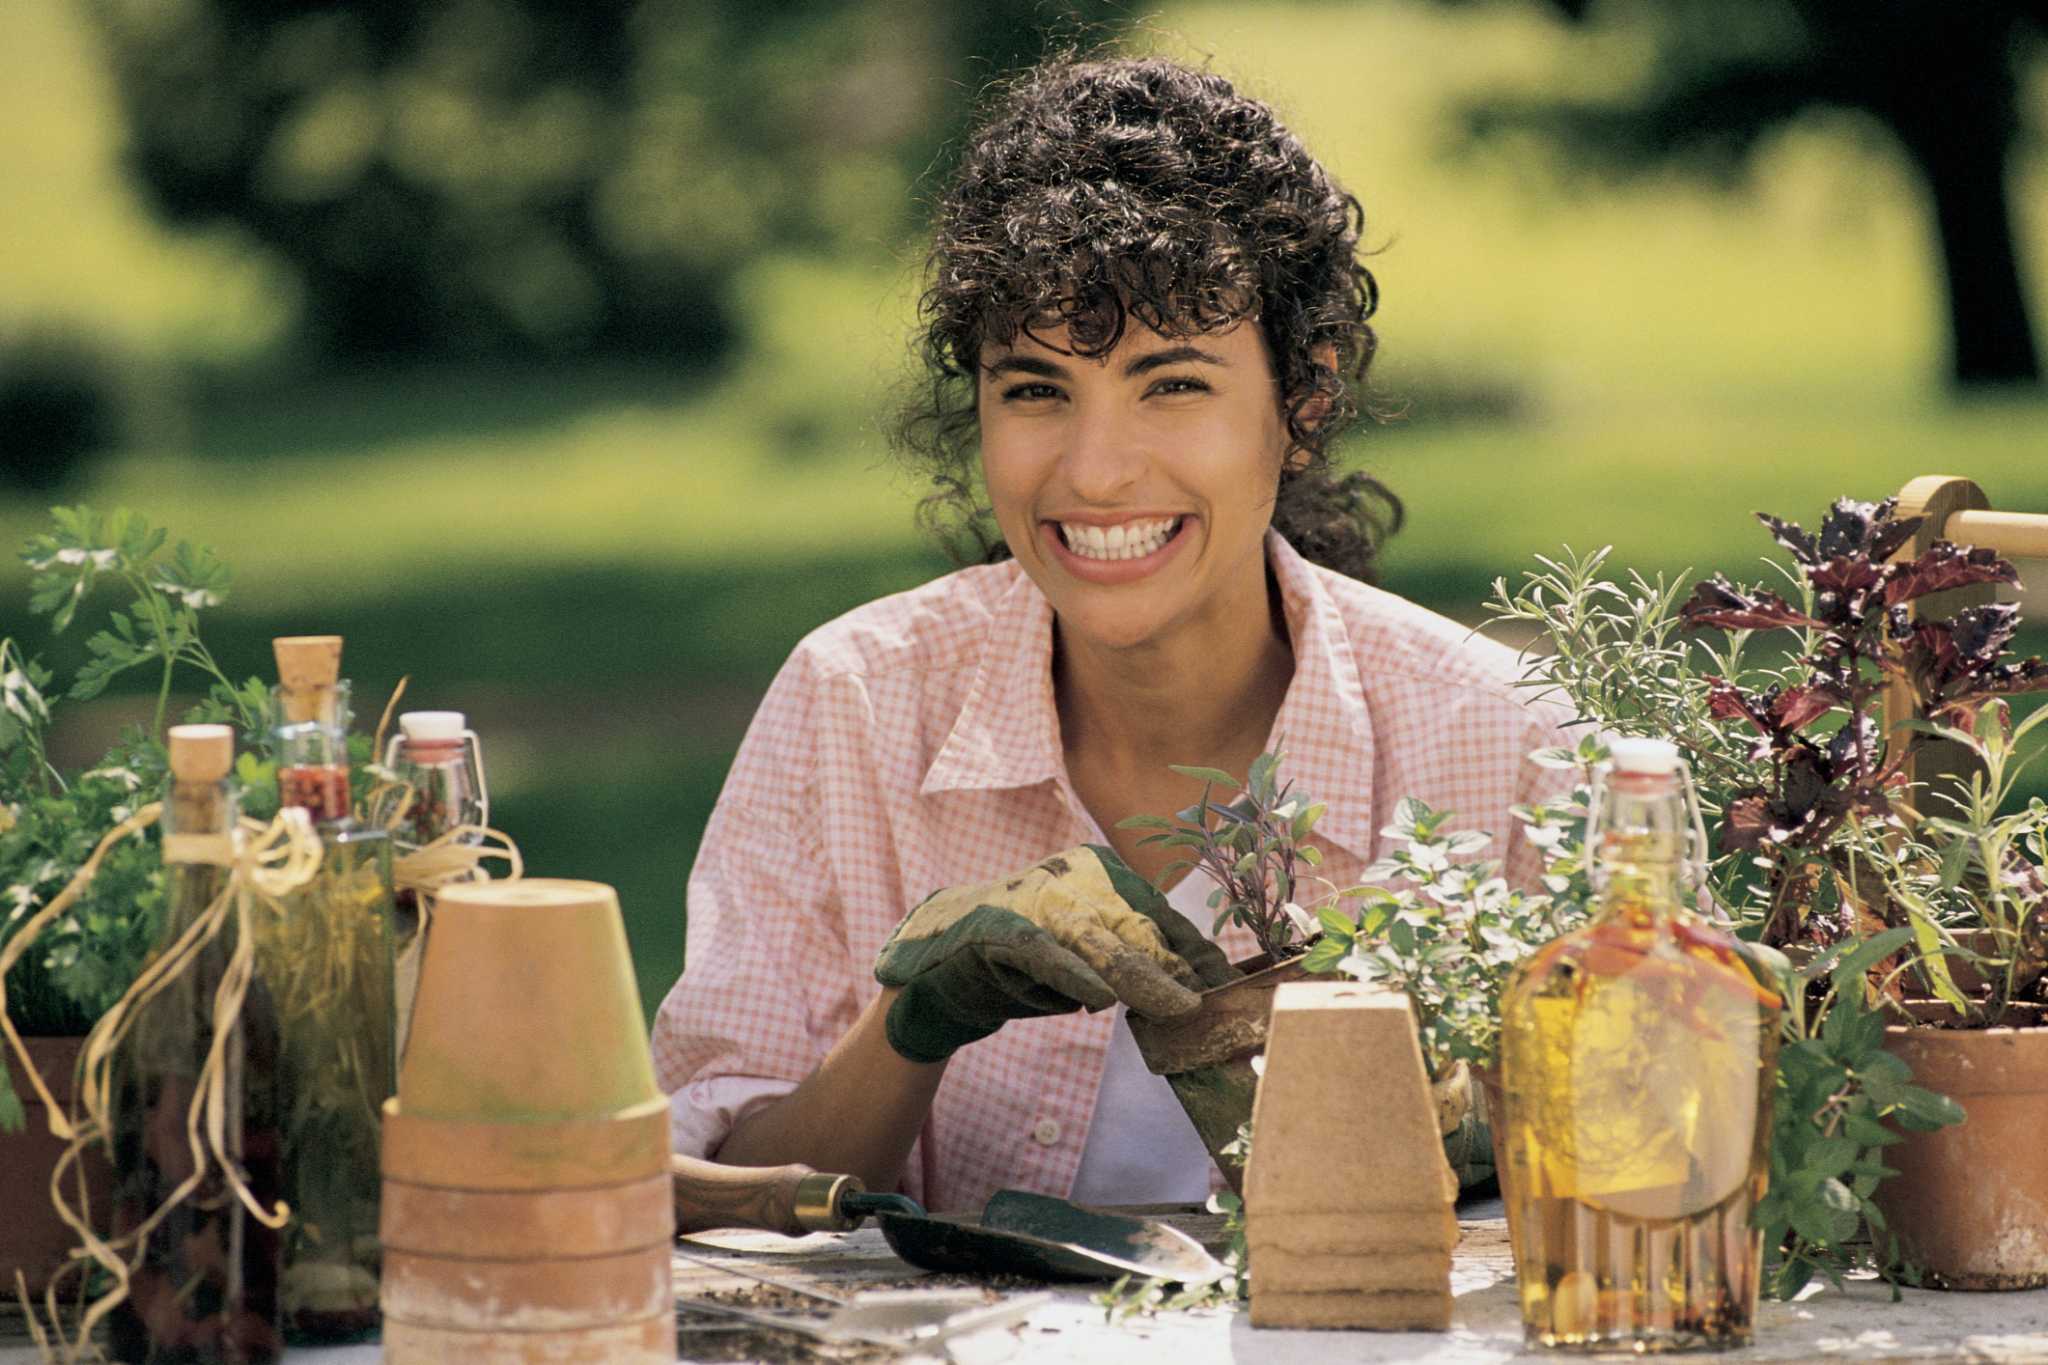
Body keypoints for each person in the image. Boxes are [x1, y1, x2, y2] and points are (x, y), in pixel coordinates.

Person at [653, 54, 1569, 1214]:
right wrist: (913, 1021)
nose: (1091, 472)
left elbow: (1627, 1187)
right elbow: (705, 1201)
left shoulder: (1513, 746)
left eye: (1171, 385)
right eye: (1034, 390)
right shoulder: (855, 702)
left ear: (1303, 402)